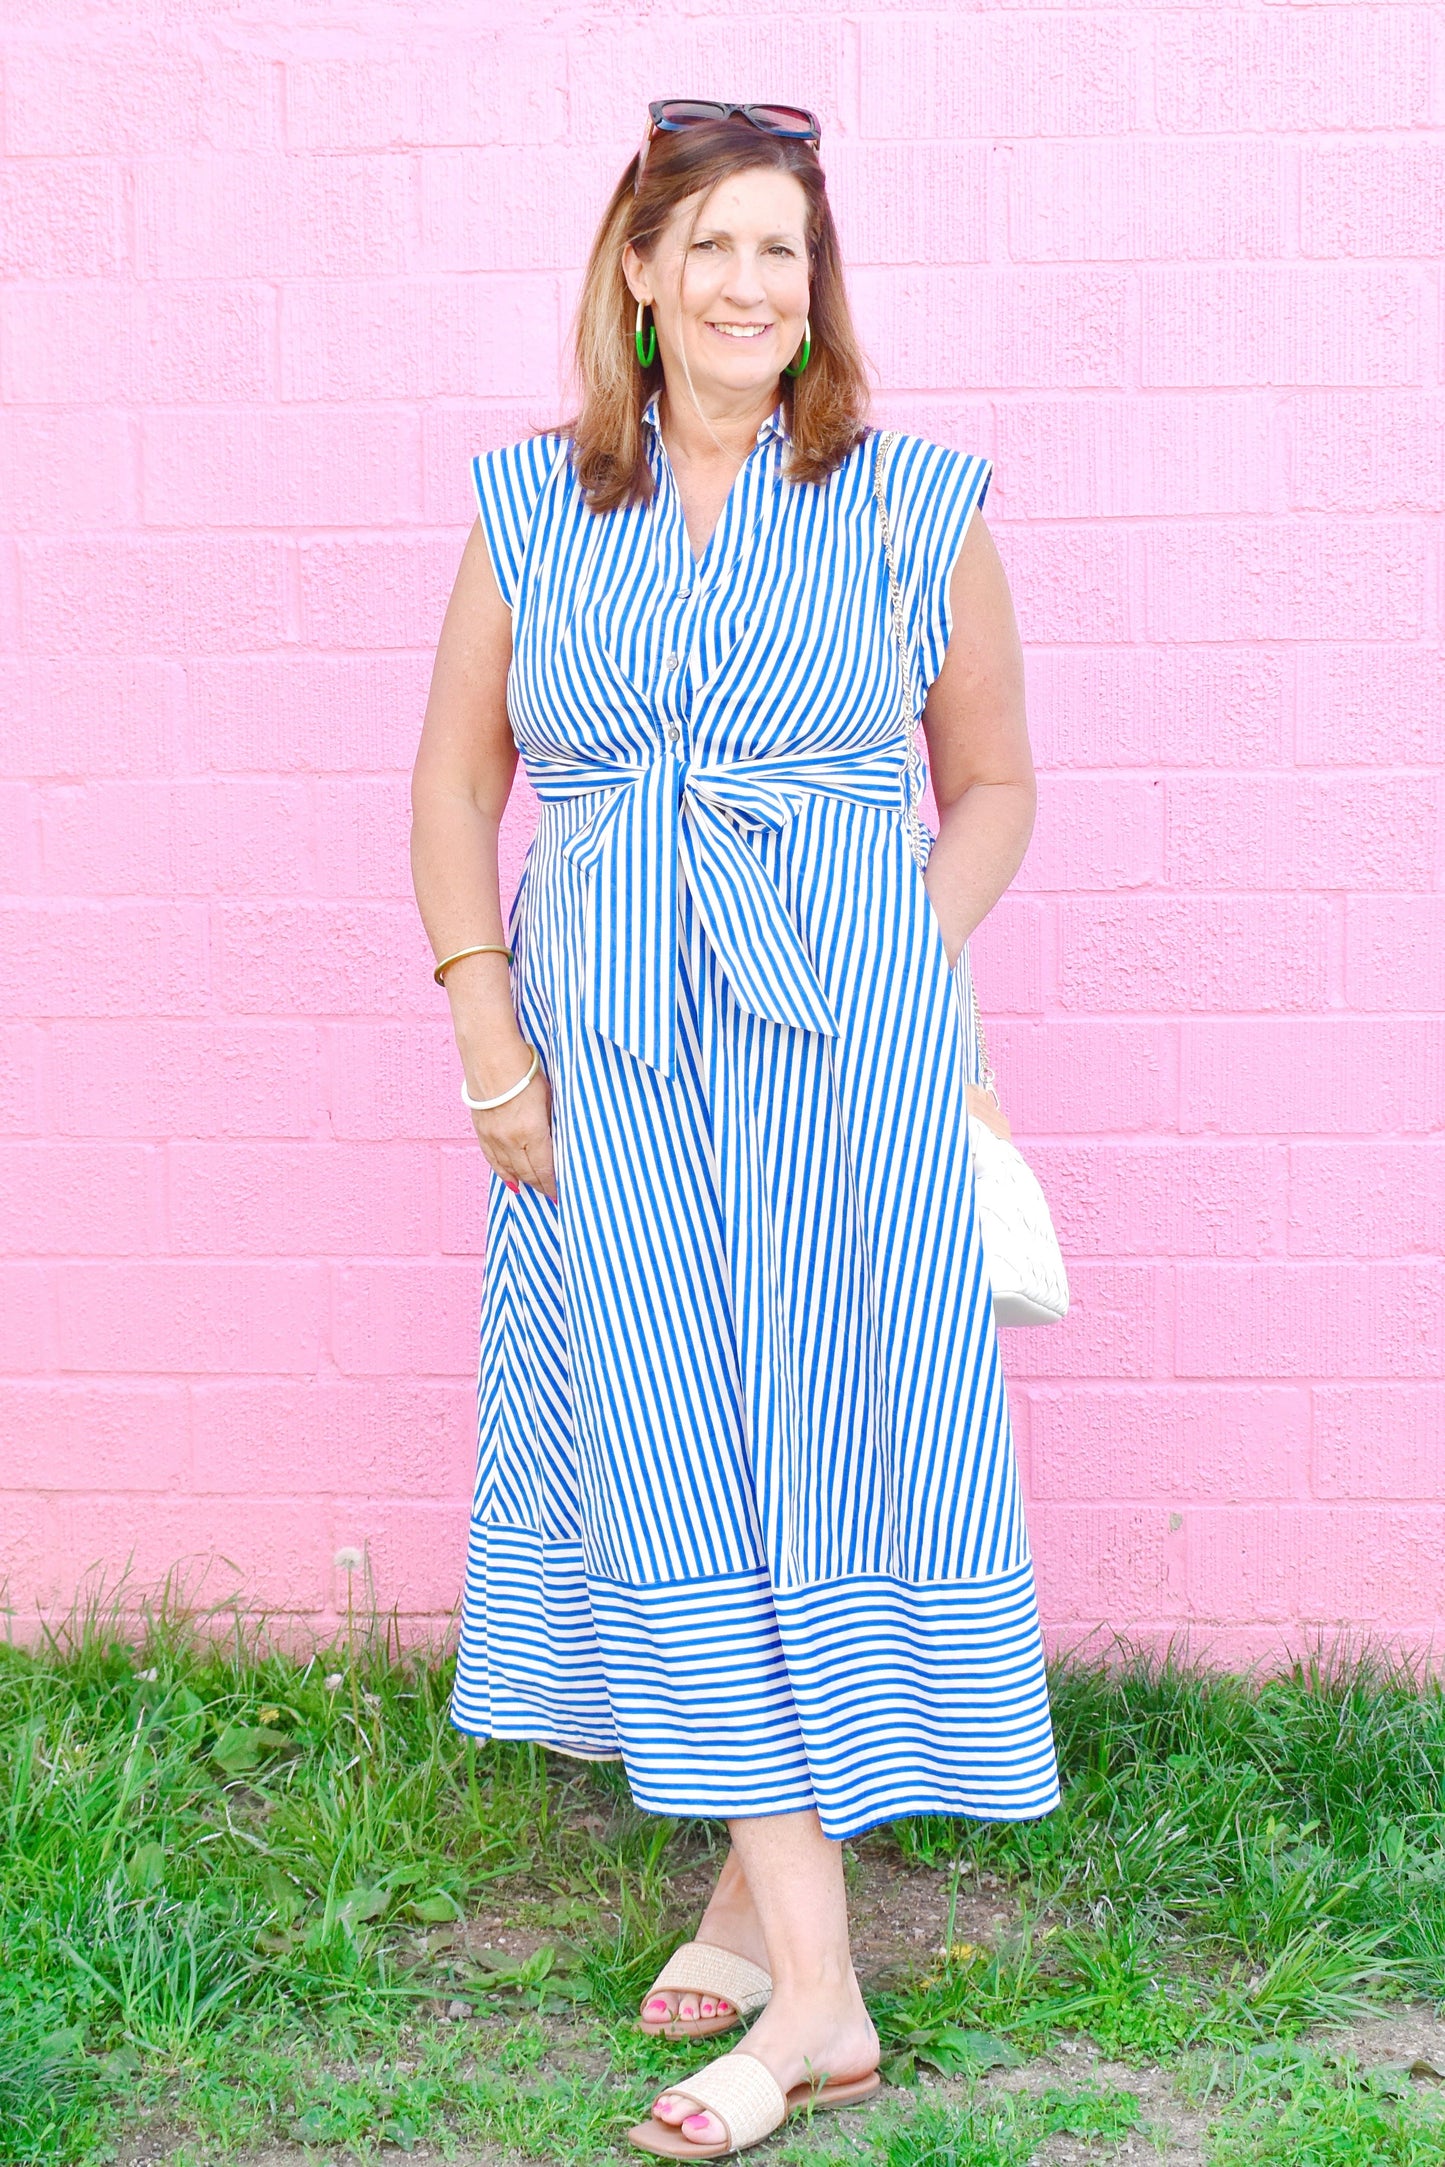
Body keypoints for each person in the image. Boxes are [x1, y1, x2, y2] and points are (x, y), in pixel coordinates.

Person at [410, 97, 1060, 2161]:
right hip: (602, 1047)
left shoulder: (913, 497)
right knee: (675, 1447)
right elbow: (451, 791)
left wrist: (907, 959)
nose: (748, 286)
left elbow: (995, 786)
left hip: (828, 1051)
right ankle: (817, 1970)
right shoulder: (534, 506)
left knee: (813, 1448)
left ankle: (803, 1977)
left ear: (816, 287)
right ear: (636, 269)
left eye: (783, 252)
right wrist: (487, 1039)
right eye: (711, 246)